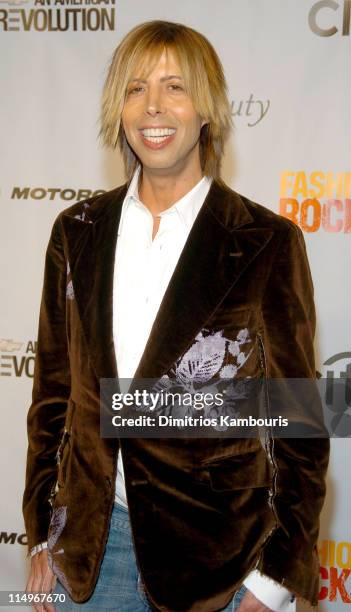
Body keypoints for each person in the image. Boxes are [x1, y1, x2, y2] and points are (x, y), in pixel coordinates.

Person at [23, 20, 330, 612]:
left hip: (221, 562)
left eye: (175, 87)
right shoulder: (76, 233)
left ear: (207, 108)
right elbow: (52, 400)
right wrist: (43, 533)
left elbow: (301, 425)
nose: (153, 107)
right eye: (135, 88)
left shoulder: (265, 240)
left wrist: (274, 581)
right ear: (118, 107)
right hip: (88, 555)